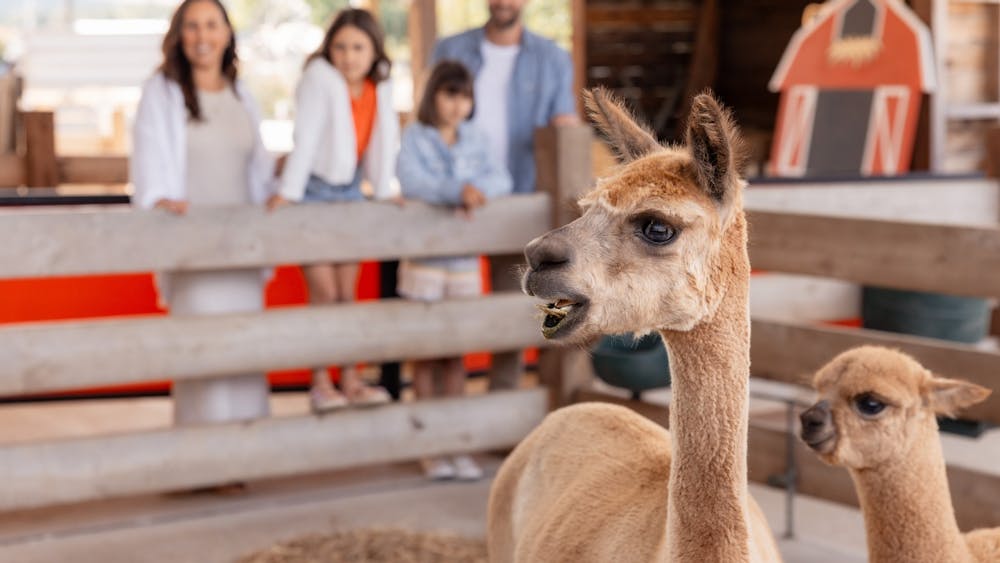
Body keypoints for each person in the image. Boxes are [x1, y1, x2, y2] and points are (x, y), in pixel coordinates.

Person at [131, 0, 275, 432]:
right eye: (192, 26)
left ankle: (246, 449)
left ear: (227, 33)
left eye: (211, 25)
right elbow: (148, 158)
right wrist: (159, 198)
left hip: (241, 246)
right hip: (193, 245)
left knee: (244, 348)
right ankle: (204, 457)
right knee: (202, 350)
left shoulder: (240, 92)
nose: (202, 36)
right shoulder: (162, 90)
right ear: (179, 34)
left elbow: (258, 167)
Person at [431, 0, 579, 390]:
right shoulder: (449, 49)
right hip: (453, 200)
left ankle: (501, 421)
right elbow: (426, 121)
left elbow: (565, 127)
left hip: (519, 201)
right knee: (445, 311)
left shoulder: (553, 60)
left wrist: (566, 128)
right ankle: (450, 421)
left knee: (511, 315)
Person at [267, 8, 397, 412]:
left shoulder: (378, 87)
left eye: (358, 47)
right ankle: (321, 382)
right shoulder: (320, 80)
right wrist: (288, 191)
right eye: (340, 46)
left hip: (351, 192)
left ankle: (352, 380)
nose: (349, 56)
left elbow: (382, 139)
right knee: (322, 293)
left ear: (374, 50)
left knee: (346, 294)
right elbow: (303, 137)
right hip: (314, 192)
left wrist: (384, 189)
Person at [396, 61, 513, 480]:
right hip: (424, 260)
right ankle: (430, 446)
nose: (457, 105)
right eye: (449, 95)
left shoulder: (476, 137)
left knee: (456, 357)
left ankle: (458, 443)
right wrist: (454, 192)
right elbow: (410, 181)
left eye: (464, 97)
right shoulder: (415, 136)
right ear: (434, 96)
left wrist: (479, 192)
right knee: (426, 355)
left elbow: (502, 177)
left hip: (463, 263)